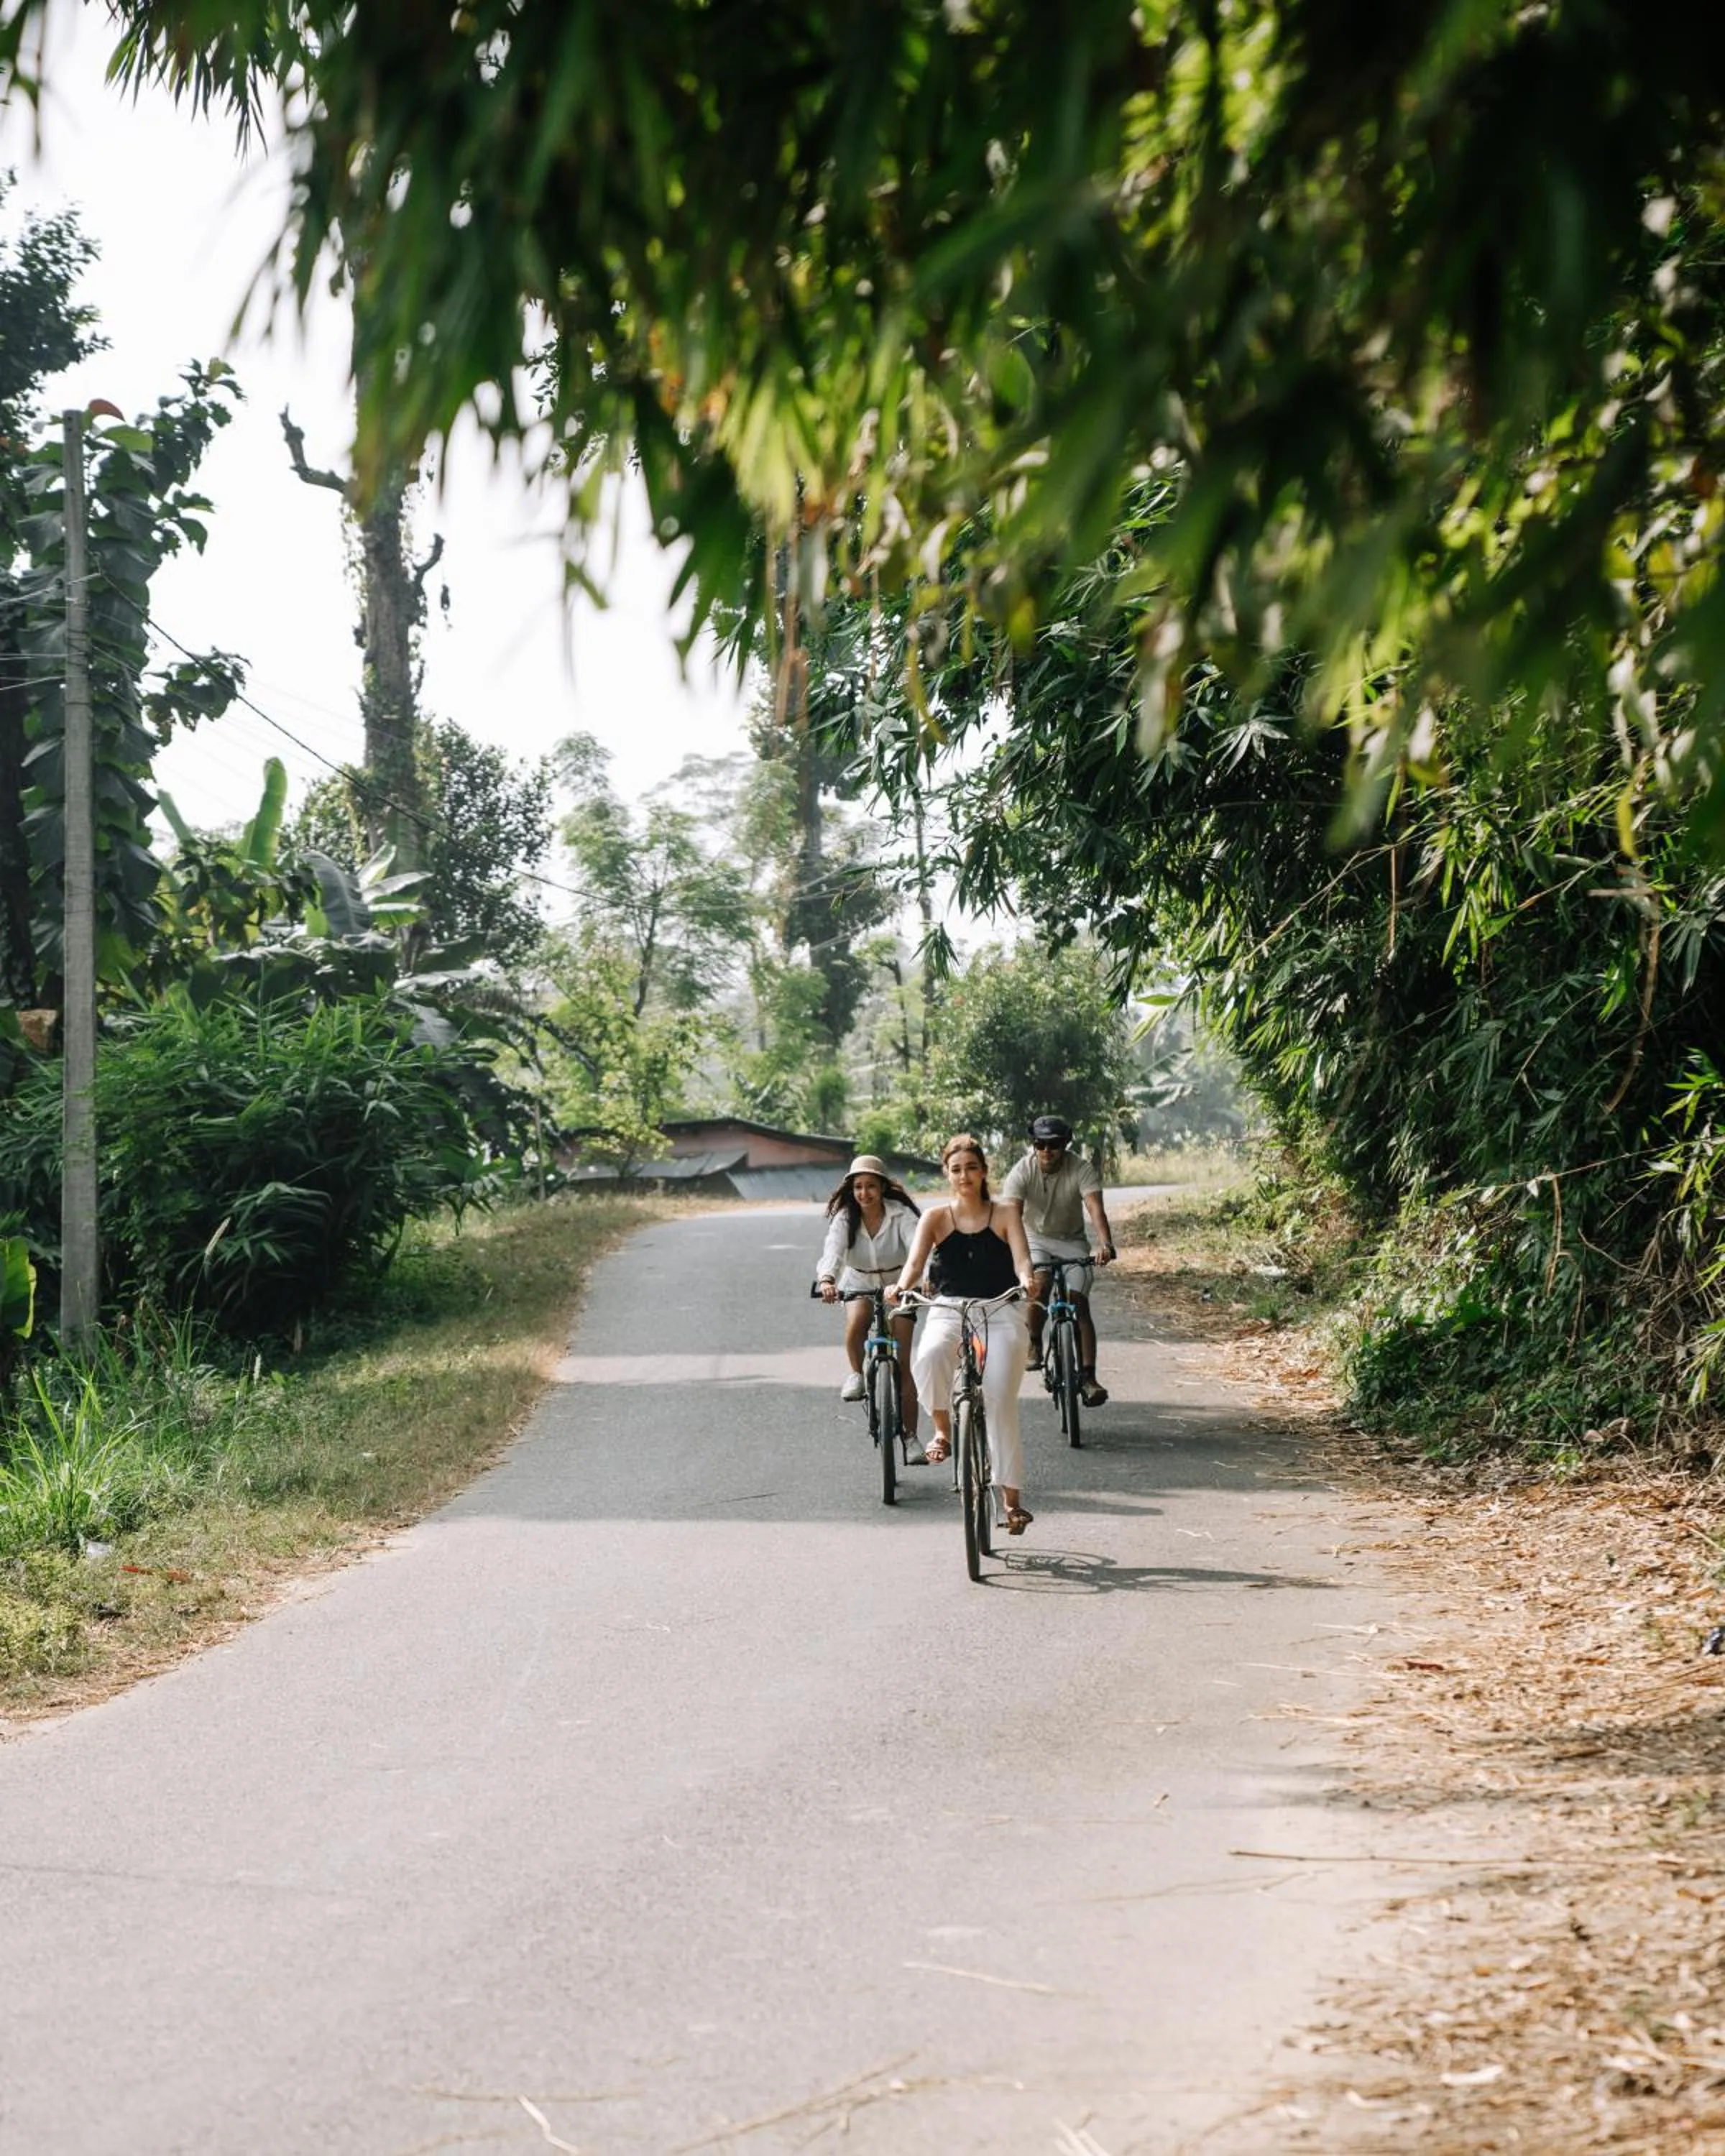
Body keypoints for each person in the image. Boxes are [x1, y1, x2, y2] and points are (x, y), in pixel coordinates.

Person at [889, 1133, 1038, 1534]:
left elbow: (1023, 1258)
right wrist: (901, 1286)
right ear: (947, 1174)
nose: (965, 1175)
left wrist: (1028, 1279)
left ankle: (1011, 1502)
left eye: (972, 1168)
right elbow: (915, 1264)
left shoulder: (1005, 1213)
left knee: (999, 1400)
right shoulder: (935, 1218)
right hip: (949, 1308)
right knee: (931, 1354)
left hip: (1002, 1308)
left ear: (985, 1171)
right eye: (956, 1169)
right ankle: (942, 1429)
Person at [1000, 1113, 1116, 1406]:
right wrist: (1009, 1250)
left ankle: (1089, 1377)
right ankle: (1035, 1343)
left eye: (1054, 1144)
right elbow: (1011, 1215)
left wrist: (1105, 1243)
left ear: (1066, 1143)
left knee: (1079, 1302)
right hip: (1034, 1238)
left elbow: (1095, 1209)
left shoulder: (1081, 1169)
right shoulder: (1022, 1171)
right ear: (1033, 1145)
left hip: (1072, 1241)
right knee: (1039, 1284)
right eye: (1040, 1144)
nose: (1047, 1151)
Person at [815, 1154, 925, 1460]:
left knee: (902, 1361)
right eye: (859, 1187)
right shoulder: (845, 1219)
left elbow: (920, 1249)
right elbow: (833, 1251)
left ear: (883, 1188)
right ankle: (856, 1374)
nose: (865, 1193)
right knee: (858, 1321)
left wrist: (926, 1279)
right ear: (852, 1189)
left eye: (871, 1186)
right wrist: (827, 1280)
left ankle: (912, 1438)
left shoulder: (901, 1215)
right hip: (859, 1282)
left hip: (900, 1285)